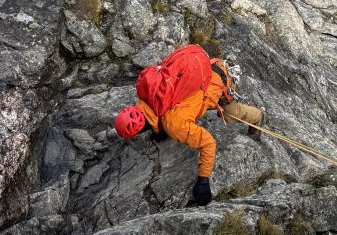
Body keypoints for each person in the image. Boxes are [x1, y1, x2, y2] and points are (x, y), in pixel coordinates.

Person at [113, 45, 264, 206]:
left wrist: (203, 181)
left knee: (231, 114)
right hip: (209, 66)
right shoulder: (145, 93)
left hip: (221, 81)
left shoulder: (174, 124)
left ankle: (258, 118)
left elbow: (209, 143)